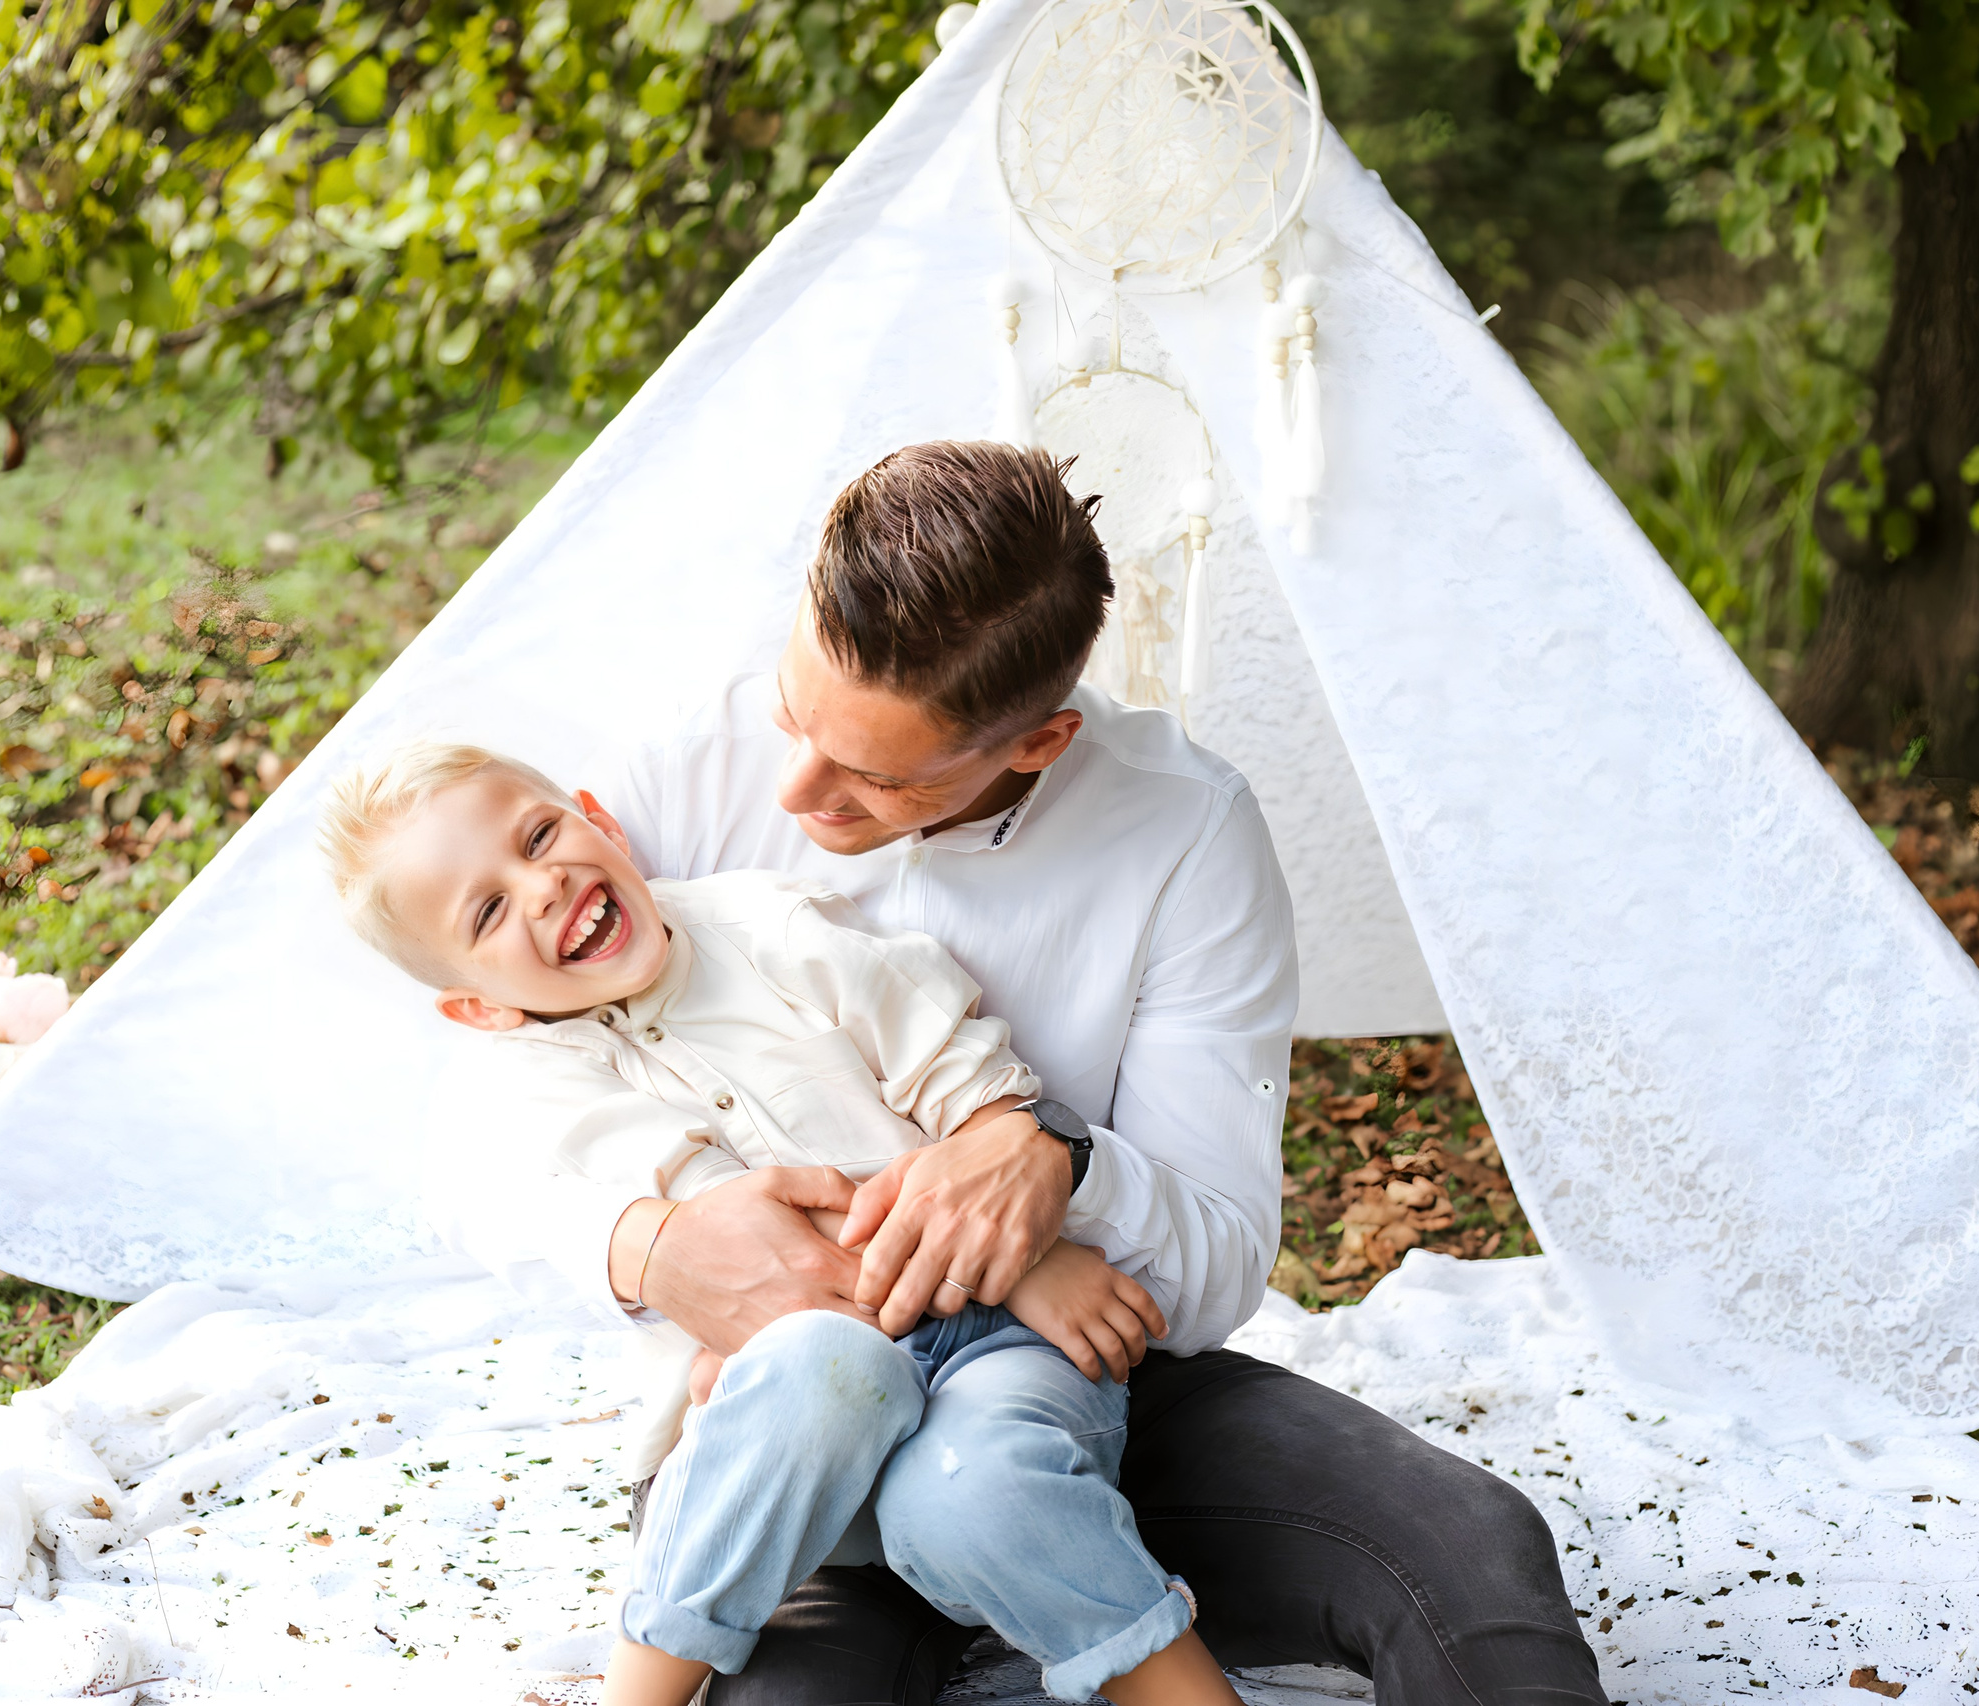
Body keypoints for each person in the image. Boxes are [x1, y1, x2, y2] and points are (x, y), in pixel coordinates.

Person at [602, 441, 1608, 1706]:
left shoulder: (1185, 829)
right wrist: (642, 1243)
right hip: (790, 1423)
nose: (800, 786)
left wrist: (1054, 1155)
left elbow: (1217, 1267)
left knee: (1469, 1550)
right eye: (797, 716)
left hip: (1077, 1388)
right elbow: (476, 1096)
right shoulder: (674, 773)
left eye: (877, 774)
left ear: (1039, 743)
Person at [314, 740, 1245, 1706]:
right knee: (817, 1367)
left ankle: (1179, 1691)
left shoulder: (777, 929)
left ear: (601, 818)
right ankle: (637, 1695)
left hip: (993, 1354)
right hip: (788, 1453)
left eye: (539, 835)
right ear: (476, 1006)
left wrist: (1022, 1256)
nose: (541, 887)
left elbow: (971, 1101)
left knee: (981, 1488)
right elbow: (744, 1260)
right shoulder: (535, 1094)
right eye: (491, 910)